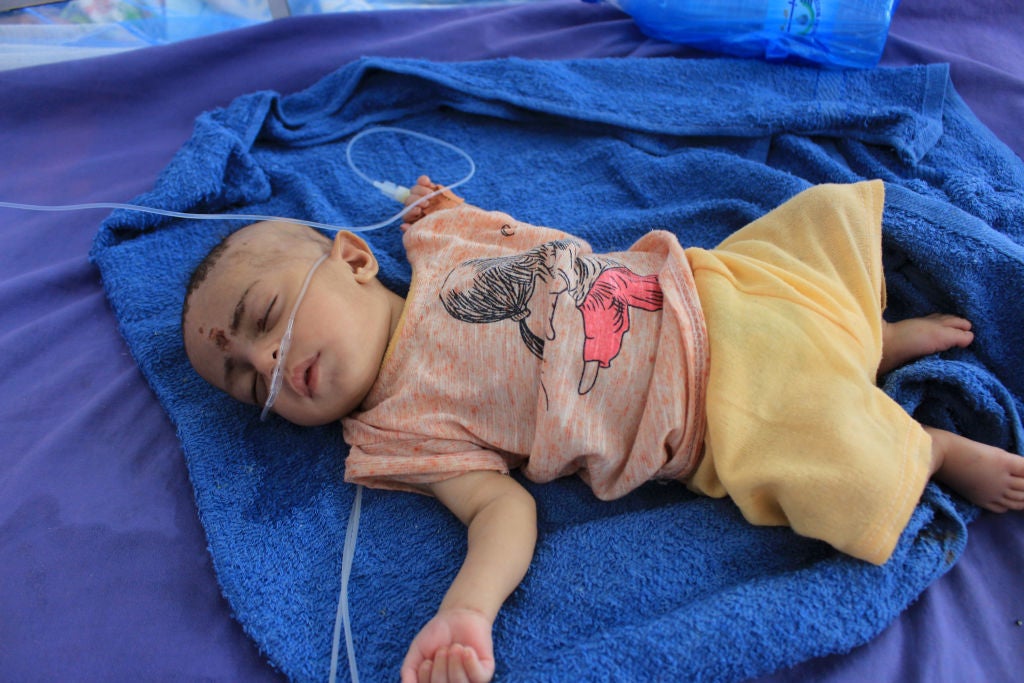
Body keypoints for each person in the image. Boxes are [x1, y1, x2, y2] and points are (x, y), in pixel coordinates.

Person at [181, 176, 1024, 683]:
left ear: (354, 260)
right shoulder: (397, 433)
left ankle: (864, 342)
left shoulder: (435, 240)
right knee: (837, 462)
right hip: (703, 407)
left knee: (823, 218)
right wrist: (467, 612)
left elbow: (484, 222)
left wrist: (430, 196)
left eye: (266, 319)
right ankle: (931, 447)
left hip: (699, 287)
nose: (271, 359)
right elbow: (499, 512)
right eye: (248, 379)